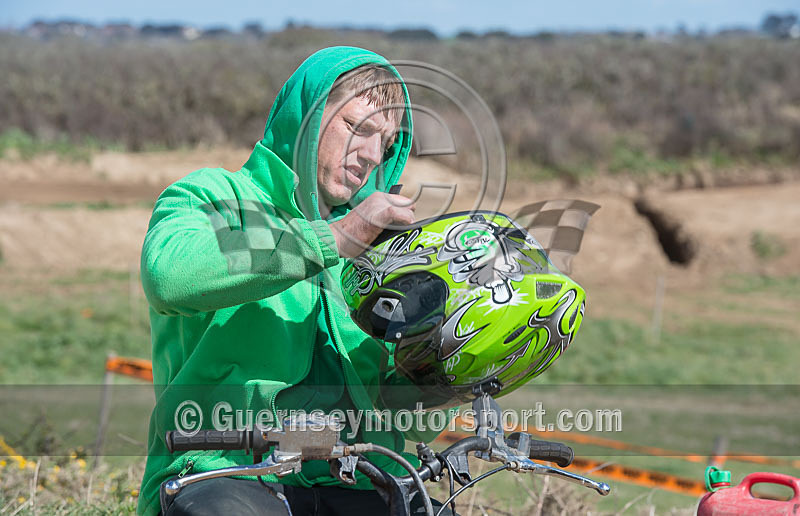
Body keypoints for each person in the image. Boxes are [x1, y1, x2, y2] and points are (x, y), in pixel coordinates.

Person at [136, 47, 454, 515]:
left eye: (385, 143)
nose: (370, 155)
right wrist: (338, 238)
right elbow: (169, 277)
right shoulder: (215, 196)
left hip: (361, 478)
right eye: (357, 128)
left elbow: (406, 412)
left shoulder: (385, 253)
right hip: (223, 470)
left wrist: (451, 363)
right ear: (305, 120)